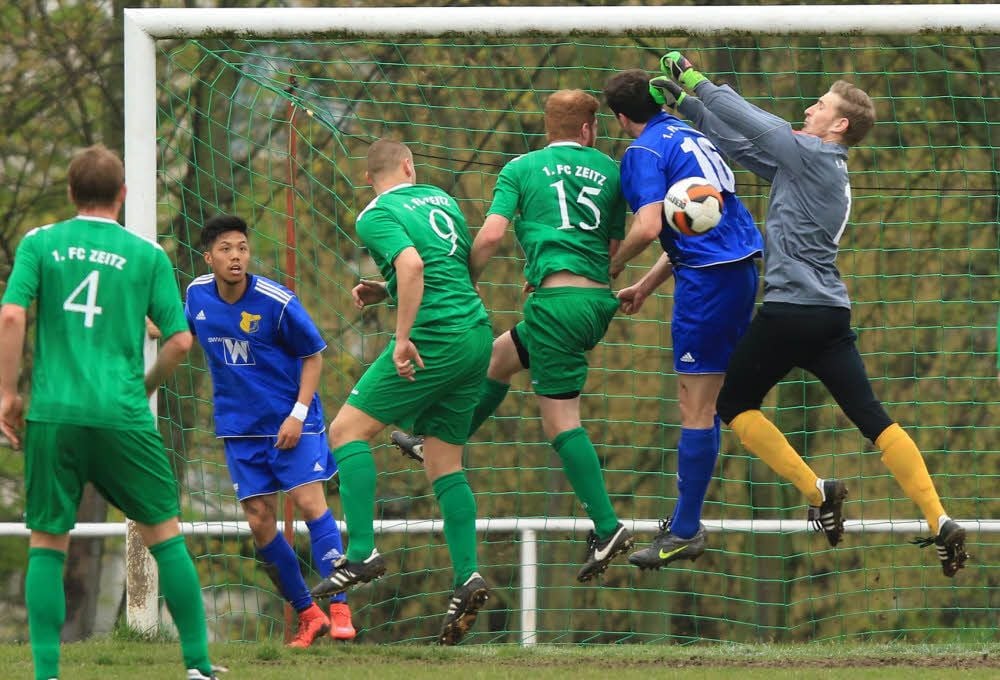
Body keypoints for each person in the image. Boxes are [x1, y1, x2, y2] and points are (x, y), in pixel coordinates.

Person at [656, 51, 968, 577]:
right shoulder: (808, 166)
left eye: (820, 105)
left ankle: (818, 491)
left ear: (839, 124)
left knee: (732, 403)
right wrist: (691, 108)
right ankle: (940, 521)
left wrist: (698, 81)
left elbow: (761, 124)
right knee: (874, 419)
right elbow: (741, 146)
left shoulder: (814, 157)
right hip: (829, 317)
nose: (809, 108)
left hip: (789, 314)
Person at [0, 144, 221, 680]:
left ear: (72, 194)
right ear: (122, 195)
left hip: (54, 413)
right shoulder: (146, 255)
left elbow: (11, 316)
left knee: (48, 540)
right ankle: (198, 666)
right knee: (165, 533)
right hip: (123, 414)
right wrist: (142, 386)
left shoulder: (41, 243)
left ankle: (46, 674)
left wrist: (5, 394)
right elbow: (179, 343)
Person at [396, 90, 635, 582]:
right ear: (589, 129)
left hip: (556, 305)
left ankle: (608, 526)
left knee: (560, 422)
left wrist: (467, 282)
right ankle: (432, 438)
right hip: (591, 302)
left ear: (547, 127)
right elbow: (610, 244)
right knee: (497, 360)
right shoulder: (613, 172)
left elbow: (489, 236)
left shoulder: (522, 168)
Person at [309, 139, 493, 646]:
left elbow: (412, 265)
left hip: (435, 337)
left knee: (346, 431)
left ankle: (364, 550)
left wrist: (403, 336)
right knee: (443, 461)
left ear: (369, 177)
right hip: (477, 335)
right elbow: (446, 268)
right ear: (411, 166)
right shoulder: (442, 200)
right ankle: (468, 576)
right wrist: (385, 288)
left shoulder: (374, 215)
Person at [602, 70, 763, 570]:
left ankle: (686, 528)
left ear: (621, 118)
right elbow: (690, 223)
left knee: (697, 405)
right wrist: (647, 286)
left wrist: (607, 267)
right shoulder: (691, 134)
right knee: (711, 401)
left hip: (708, 285)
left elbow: (650, 225)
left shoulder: (643, 152)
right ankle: (686, 521)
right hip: (737, 271)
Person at [184, 214, 355, 645]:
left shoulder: (276, 302)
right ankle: (308, 614)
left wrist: (297, 415)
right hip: (239, 429)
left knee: (309, 501)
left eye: (242, 247)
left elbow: (314, 355)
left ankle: (339, 608)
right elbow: (184, 330)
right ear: (209, 258)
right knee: (259, 520)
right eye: (226, 249)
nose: (236, 256)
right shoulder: (196, 295)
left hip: (290, 421)